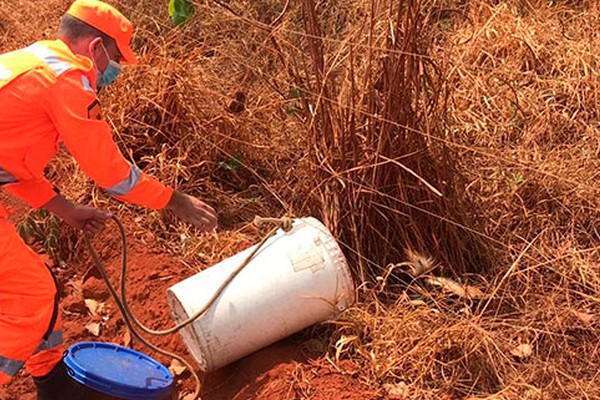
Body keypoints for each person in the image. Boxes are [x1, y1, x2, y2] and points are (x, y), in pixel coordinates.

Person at [0, 0, 217, 398]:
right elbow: (113, 175)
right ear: (96, 47)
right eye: (114, 59)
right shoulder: (67, 78)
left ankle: (54, 386)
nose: (112, 71)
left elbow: (11, 167)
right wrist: (176, 201)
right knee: (31, 301)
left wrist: (65, 210)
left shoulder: (30, 62)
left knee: (40, 285)